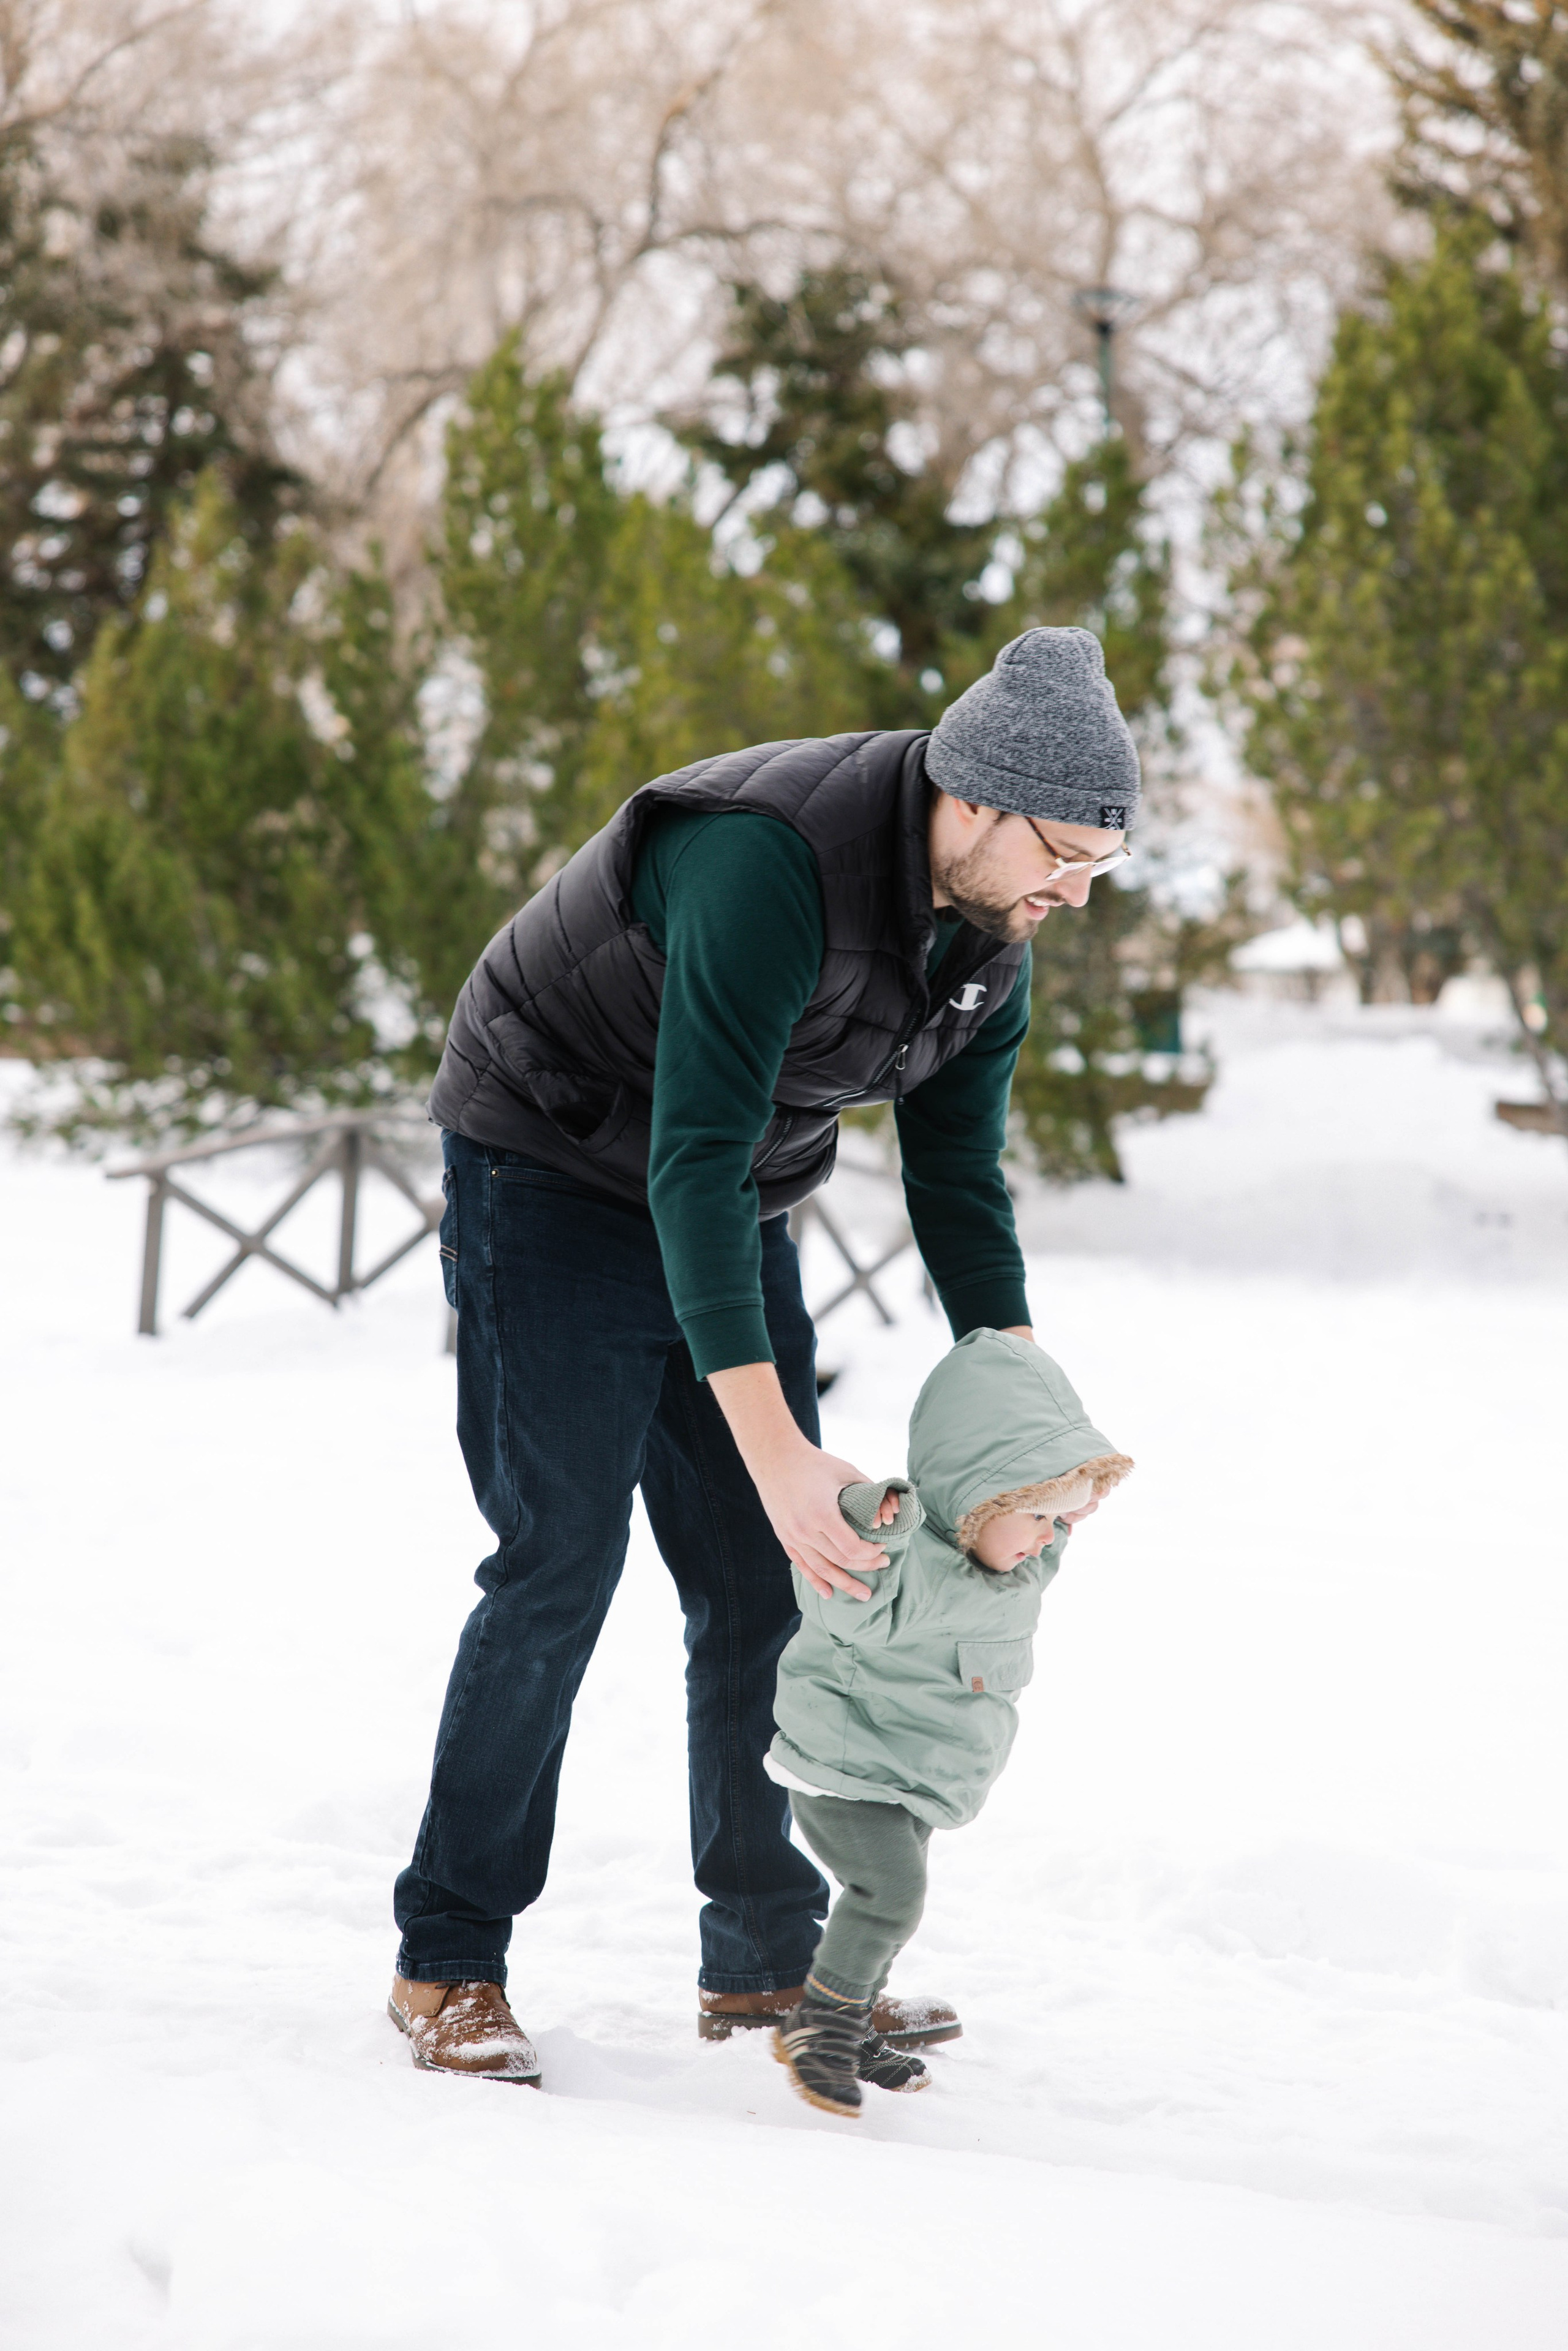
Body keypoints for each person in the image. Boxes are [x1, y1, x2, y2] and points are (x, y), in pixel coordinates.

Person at [386, 625, 1142, 2086]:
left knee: (767, 1576)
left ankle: (762, 1959)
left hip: (725, 1186)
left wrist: (1021, 1395)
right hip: (548, 1159)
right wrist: (780, 1449)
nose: (1072, 891)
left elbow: (958, 1185)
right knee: (557, 1560)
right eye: (1059, 852)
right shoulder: (765, 862)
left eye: (1100, 868)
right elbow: (688, 1158)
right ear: (970, 800)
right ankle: (449, 1957)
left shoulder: (993, 941)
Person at [767, 1327, 1133, 2116]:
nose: (1050, 1536)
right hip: (850, 1765)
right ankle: (819, 2024)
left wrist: (1068, 1499)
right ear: (976, 1501)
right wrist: (874, 1523)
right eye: (1038, 1514)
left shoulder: (1017, 1564)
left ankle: (853, 2018)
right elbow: (844, 1594)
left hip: (914, 1773)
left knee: (894, 1906)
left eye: (1058, 1518)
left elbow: (1048, 1525)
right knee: (890, 1895)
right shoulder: (907, 1566)